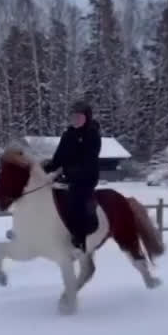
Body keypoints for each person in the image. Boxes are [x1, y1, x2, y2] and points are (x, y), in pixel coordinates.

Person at [43, 100, 102, 254]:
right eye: (73, 116)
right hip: (67, 176)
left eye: (79, 117)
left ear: (87, 118)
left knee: (77, 200)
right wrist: (44, 168)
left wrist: (73, 171)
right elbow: (58, 158)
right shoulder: (67, 135)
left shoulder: (92, 135)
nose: (75, 119)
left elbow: (90, 159)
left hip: (86, 177)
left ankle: (80, 239)